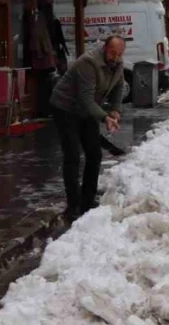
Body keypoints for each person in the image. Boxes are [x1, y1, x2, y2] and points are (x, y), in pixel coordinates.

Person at [50, 35, 126, 221]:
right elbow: (85, 99)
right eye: (112, 53)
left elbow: (119, 86)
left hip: (87, 110)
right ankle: (73, 204)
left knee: (94, 153)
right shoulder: (88, 63)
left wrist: (115, 109)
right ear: (104, 49)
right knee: (73, 155)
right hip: (65, 108)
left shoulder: (118, 64)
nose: (115, 58)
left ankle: (88, 200)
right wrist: (105, 117)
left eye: (119, 54)